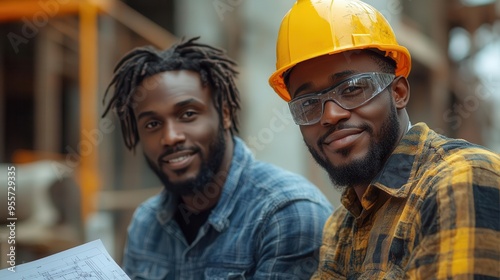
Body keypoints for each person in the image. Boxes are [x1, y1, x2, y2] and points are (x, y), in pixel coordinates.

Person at [268, 0, 500, 278]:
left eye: (352, 88)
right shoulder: (340, 226)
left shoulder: (460, 181)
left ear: (399, 92)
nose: (330, 115)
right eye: (307, 104)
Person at [102, 36, 333, 279]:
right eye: (152, 124)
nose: (170, 137)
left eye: (188, 114)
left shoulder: (287, 213)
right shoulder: (146, 224)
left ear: (224, 114)